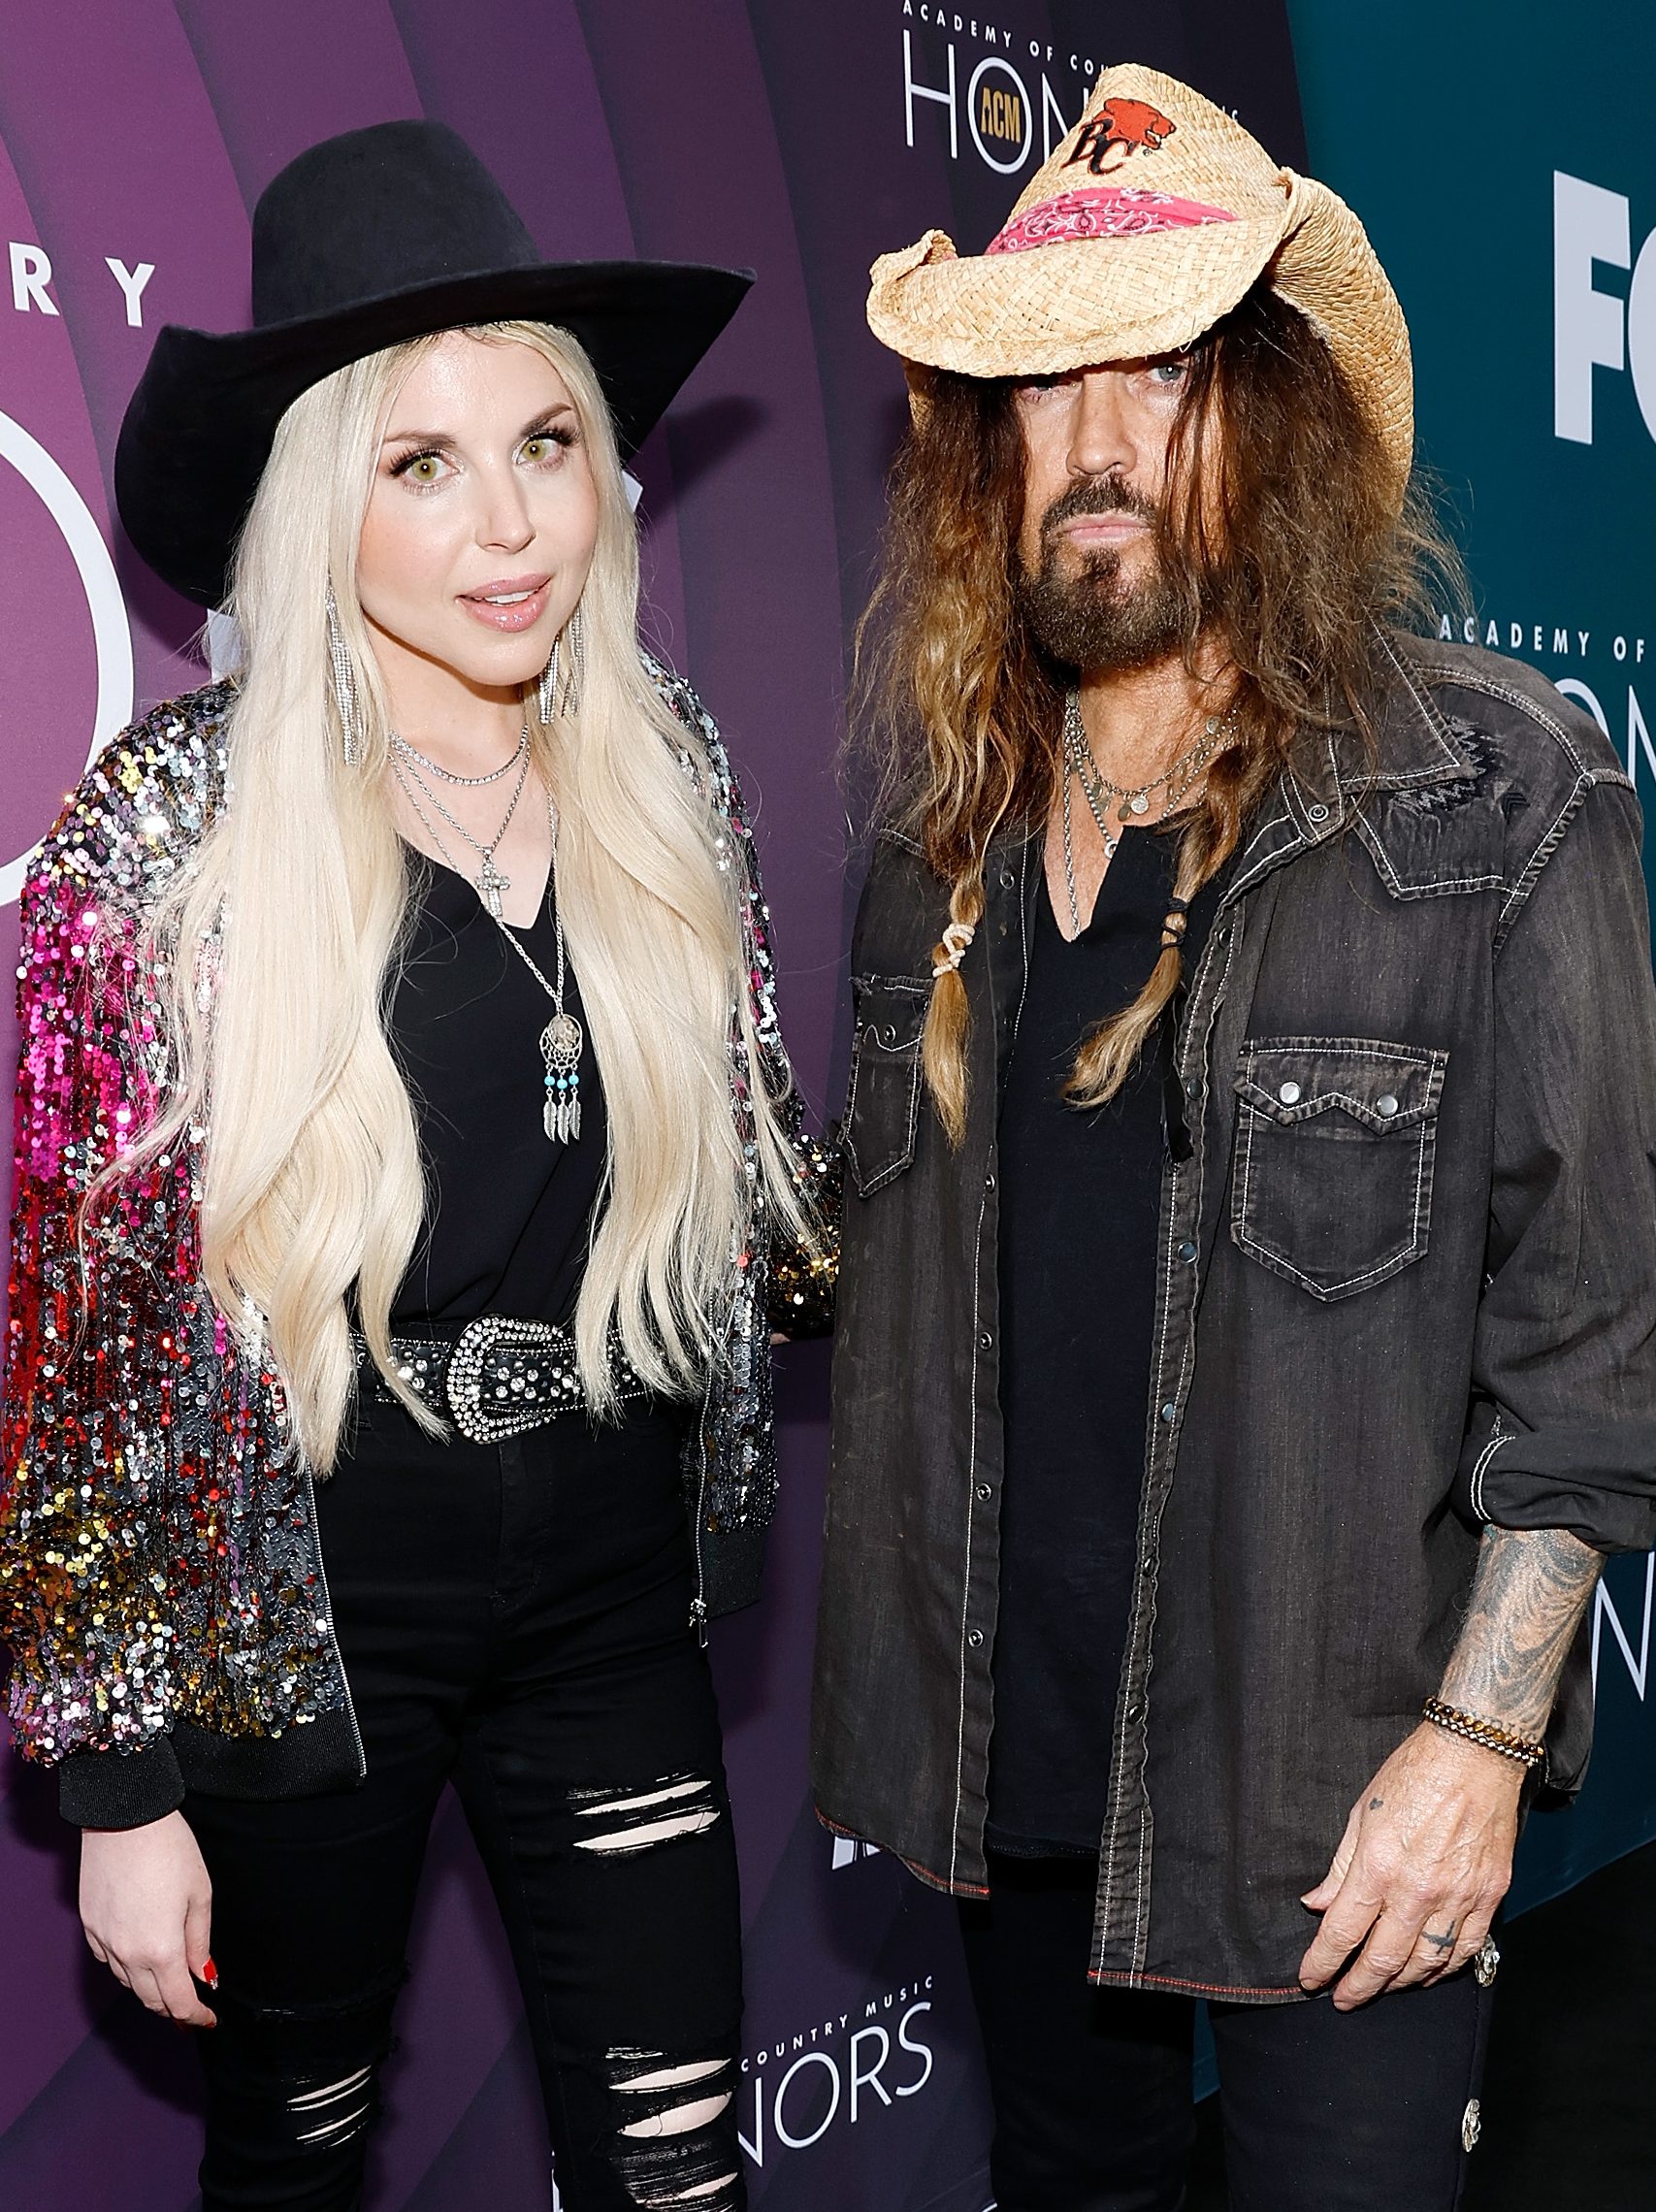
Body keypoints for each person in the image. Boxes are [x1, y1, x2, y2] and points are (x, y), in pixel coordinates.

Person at [812, 63, 1656, 2211]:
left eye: (1160, 374)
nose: (1093, 447)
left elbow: (1591, 1357)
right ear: (978, 451)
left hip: (1331, 1793)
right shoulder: (937, 850)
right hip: (1006, 1769)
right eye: (1040, 387)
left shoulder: (1493, 794)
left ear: (1260, 420)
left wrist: (1472, 1755)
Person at [0, 121, 829, 2212]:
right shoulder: (163, 830)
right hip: (311, 1596)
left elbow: (756, 1194)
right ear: (315, 502)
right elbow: (65, 1333)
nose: (512, 525)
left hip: (614, 1584)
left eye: (545, 443)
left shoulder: (667, 765)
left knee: (678, 2168)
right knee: (297, 2158)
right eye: (423, 463)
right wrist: (113, 1783)